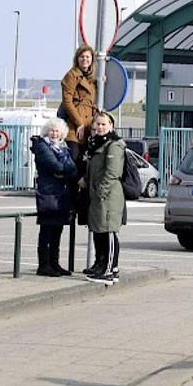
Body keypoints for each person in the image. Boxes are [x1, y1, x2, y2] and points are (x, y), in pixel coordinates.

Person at [81, 111, 126, 284]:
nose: (100, 127)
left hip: (108, 196)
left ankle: (109, 269)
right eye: (97, 124)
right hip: (97, 195)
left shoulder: (113, 145)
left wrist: (101, 191)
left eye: (103, 124)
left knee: (108, 231)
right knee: (99, 230)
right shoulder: (95, 144)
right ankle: (100, 264)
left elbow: (112, 172)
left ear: (111, 126)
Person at [29, 118, 77, 276]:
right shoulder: (43, 147)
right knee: (47, 231)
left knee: (57, 230)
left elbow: (72, 169)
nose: (54, 133)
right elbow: (56, 167)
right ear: (46, 131)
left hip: (61, 194)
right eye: (52, 130)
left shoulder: (62, 148)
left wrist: (65, 171)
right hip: (48, 193)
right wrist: (64, 170)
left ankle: (54, 263)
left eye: (57, 131)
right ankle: (44, 265)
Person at [61, 45, 96, 229]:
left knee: (85, 167)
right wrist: (78, 122)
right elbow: (67, 101)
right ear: (77, 58)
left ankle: (82, 210)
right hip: (76, 129)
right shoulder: (71, 76)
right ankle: (70, 208)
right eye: (82, 57)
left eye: (88, 57)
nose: (85, 60)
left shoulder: (91, 79)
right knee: (73, 166)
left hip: (89, 128)